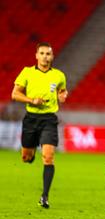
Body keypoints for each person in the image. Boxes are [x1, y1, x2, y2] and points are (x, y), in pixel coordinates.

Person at [11, 42, 68, 208]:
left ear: (52, 56)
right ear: (36, 55)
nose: (45, 56)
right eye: (42, 53)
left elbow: (62, 91)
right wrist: (31, 100)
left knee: (48, 157)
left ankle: (44, 196)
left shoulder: (59, 75)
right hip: (31, 118)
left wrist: (63, 95)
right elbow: (15, 94)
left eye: (48, 54)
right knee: (26, 157)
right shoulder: (27, 72)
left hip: (49, 119)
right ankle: (30, 154)